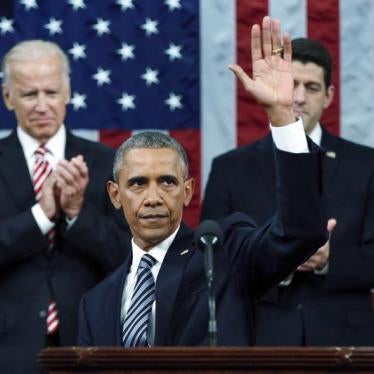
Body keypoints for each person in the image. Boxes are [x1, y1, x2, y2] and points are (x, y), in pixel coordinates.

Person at [77, 16, 327, 347]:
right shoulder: (95, 303)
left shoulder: (225, 259)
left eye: (166, 182)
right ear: (115, 194)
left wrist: (281, 115)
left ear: (188, 191)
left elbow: (300, 232)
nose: (153, 197)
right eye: (138, 184)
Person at [201, 37, 374, 346]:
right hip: (260, 338)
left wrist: (328, 259)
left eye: (311, 87)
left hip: (346, 342)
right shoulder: (230, 168)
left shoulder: (366, 164)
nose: (298, 97)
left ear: (329, 96)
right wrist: (280, 257)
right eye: (291, 83)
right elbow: (213, 260)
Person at [0, 40, 131, 372]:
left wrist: (76, 214)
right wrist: (40, 216)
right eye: (30, 95)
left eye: (52, 92)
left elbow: (128, 256)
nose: (42, 105)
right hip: (9, 348)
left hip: (89, 343)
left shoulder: (108, 162)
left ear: (69, 92)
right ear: (8, 97)